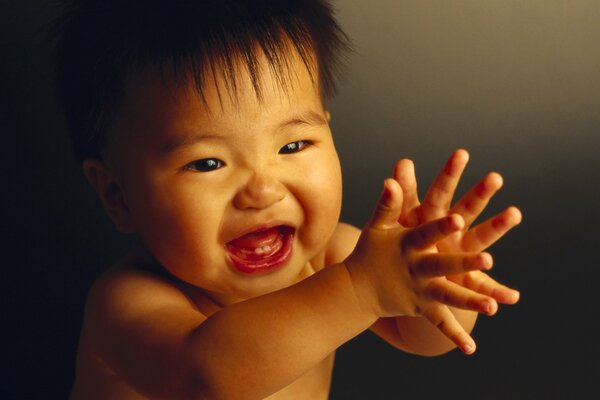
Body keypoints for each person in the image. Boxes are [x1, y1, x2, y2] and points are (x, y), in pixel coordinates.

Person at [54, 1, 522, 398]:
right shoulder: (126, 304)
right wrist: (361, 289)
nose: (263, 190)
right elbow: (205, 377)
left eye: (293, 146)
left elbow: (422, 336)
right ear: (117, 195)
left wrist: (434, 279)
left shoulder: (334, 256)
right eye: (207, 163)